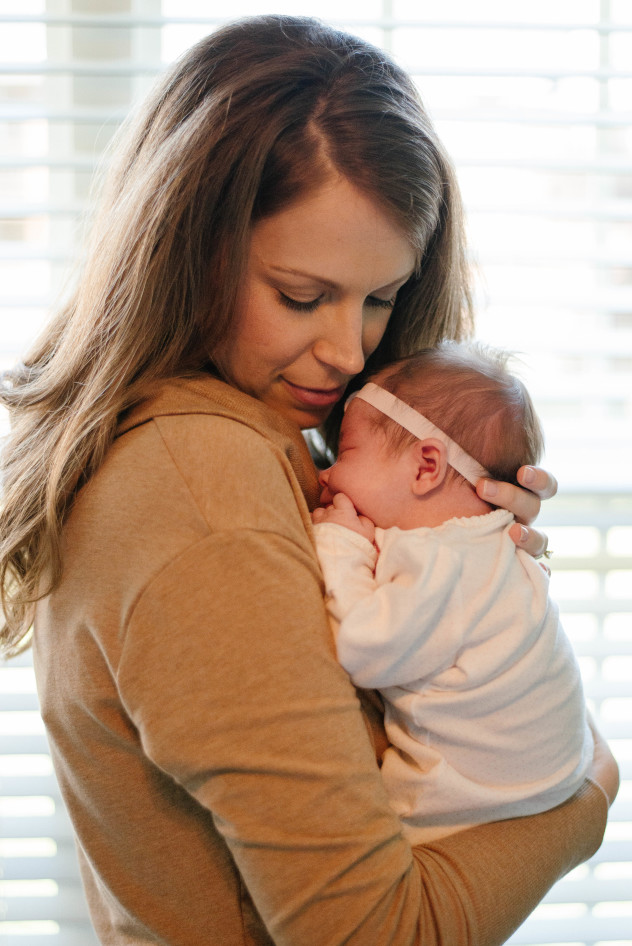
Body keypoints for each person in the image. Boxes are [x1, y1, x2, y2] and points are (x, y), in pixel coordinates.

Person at [0, 15, 617, 946]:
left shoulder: (266, 440)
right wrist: (586, 799)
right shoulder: (201, 490)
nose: (348, 351)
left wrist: (461, 560)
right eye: (301, 295)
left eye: (381, 298)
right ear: (185, 247)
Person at [312, 341, 593, 844]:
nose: (325, 475)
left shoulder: (441, 558)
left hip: (473, 804)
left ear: (426, 466)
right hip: (553, 782)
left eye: (345, 453)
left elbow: (364, 646)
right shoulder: (489, 548)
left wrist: (341, 543)